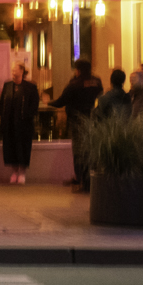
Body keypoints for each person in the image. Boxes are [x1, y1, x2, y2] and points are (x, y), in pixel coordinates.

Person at [49, 58, 103, 193]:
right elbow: (99, 93)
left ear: (78, 70)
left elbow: (61, 101)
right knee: (89, 151)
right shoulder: (97, 82)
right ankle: (88, 179)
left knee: (79, 152)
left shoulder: (74, 84)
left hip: (77, 121)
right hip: (91, 120)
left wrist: (48, 102)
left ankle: (81, 180)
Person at [0, 58, 40, 184]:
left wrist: (27, 117)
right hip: (9, 124)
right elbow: (1, 104)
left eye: (15, 69)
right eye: (12, 70)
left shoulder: (30, 87)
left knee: (23, 147)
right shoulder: (7, 85)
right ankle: (14, 171)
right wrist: (3, 117)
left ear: (22, 71)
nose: (13, 72)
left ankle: (22, 172)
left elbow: (34, 106)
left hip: (23, 125)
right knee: (10, 148)